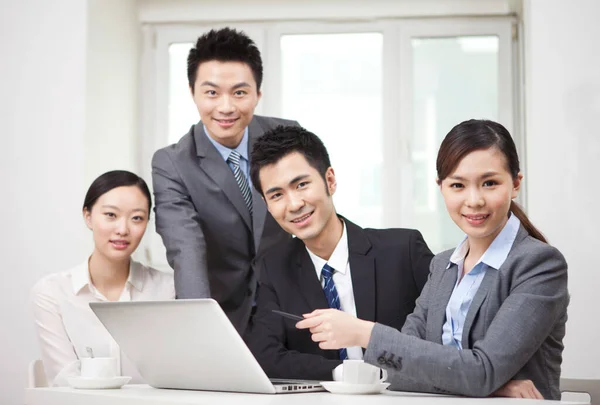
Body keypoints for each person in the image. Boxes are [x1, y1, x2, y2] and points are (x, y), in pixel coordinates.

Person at [297, 119, 569, 400]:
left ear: (515, 184)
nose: (474, 200)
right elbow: (397, 373)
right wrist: (494, 385)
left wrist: (366, 333)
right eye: (458, 185)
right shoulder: (442, 266)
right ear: (441, 187)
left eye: (489, 183)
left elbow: (482, 372)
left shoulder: (539, 265)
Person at [245, 125, 434, 381]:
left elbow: (447, 341)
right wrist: (344, 373)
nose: (294, 204)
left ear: (330, 180)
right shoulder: (274, 268)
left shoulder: (404, 250)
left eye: (301, 185)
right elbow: (265, 357)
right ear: (267, 205)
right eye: (277, 195)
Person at [152, 28, 297, 334]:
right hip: (224, 315)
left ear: (258, 94)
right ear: (192, 93)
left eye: (240, 92)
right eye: (212, 92)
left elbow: (315, 214)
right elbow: (186, 248)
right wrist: (201, 327)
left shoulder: (288, 138)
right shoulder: (173, 163)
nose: (226, 107)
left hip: (292, 307)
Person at [31, 170, 175, 386]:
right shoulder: (53, 293)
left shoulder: (168, 290)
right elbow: (66, 382)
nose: (123, 229)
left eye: (137, 218)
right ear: (88, 216)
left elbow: (176, 377)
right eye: (110, 215)